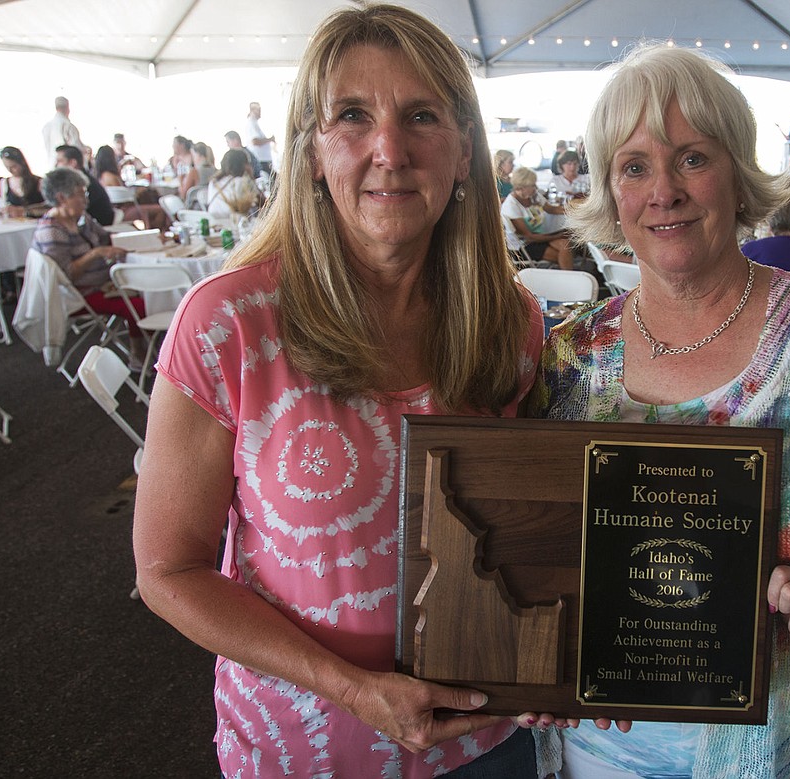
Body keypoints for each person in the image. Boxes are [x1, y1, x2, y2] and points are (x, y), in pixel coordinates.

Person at [131, 5, 568, 776]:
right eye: (353, 116)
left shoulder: (513, 323)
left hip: (486, 745)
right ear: (310, 152)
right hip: (305, 751)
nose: (389, 149)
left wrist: (549, 654)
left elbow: (531, 535)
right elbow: (168, 572)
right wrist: (354, 687)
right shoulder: (227, 326)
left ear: (465, 152)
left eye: (422, 115)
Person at [532, 44, 790, 778]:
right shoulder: (572, 356)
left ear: (736, 170)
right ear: (610, 189)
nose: (663, 190)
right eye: (634, 166)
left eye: (692, 157)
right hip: (609, 745)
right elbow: (532, 536)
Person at [30, 167, 144, 365]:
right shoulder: (51, 231)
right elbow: (67, 275)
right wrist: (95, 253)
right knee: (139, 304)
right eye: (80, 194)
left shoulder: (81, 219)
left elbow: (107, 237)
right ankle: (138, 354)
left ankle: (147, 346)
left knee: (144, 288)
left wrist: (142, 238)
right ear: (61, 197)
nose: (86, 199)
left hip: (104, 282)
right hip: (79, 294)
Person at [501, 167, 575, 269]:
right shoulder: (511, 205)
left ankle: (568, 277)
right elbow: (529, 237)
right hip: (525, 245)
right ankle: (569, 279)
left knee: (565, 245)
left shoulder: (532, 195)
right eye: (532, 185)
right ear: (522, 187)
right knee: (564, 254)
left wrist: (573, 211)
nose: (535, 187)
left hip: (540, 237)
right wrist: (557, 236)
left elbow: (551, 209)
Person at [55, 144, 114, 226]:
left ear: (73, 163)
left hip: (96, 227)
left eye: (60, 161)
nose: (56, 165)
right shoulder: (81, 179)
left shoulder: (82, 183)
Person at [204, 148, 260, 219]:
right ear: (244, 165)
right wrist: (251, 175)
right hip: (235, 223)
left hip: (213, 222)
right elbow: (263, 203)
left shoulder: (213, 182)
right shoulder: (243, 182)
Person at [0, 146, 44, 217]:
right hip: (16, 224)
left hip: (37, 221)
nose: (10, 170)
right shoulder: (5, 182)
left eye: (13, 166)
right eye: (7, 167)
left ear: (22, 163)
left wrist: (23, 209)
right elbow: (3, 204)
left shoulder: (39, 181)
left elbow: (48, 204)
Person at [41, 96, 84, 169]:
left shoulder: (46, 127)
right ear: (67, 108)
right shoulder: (68, 126)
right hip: (67, 169)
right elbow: (76, 150)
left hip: (51, 166)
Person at [244, 101, 276, 174]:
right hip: (261, 161)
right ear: (252, 110)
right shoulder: (251, 123)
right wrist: (270, 139)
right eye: (258, 109)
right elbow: (255, 141)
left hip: (264, 160)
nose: (260, 112)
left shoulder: (254, 123)